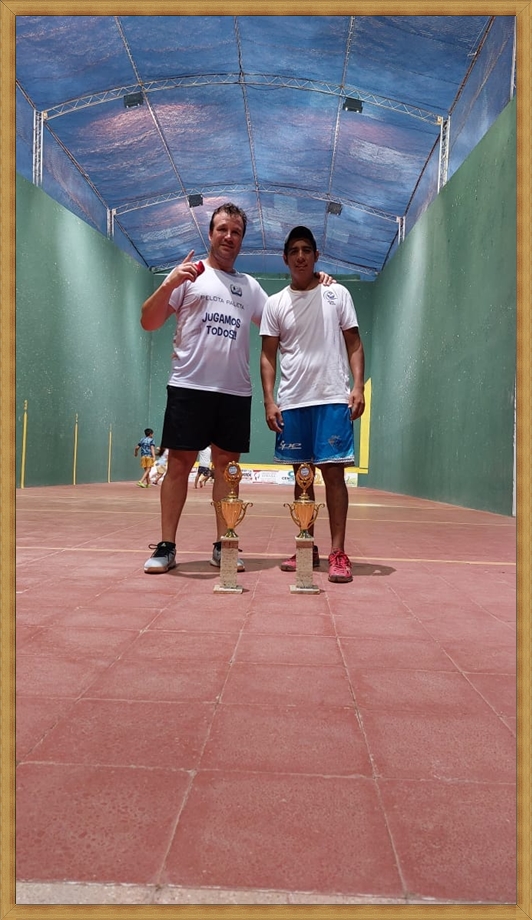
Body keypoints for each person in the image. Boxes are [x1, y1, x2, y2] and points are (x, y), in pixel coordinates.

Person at [140, 202, 334, 575]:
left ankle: (223, 544)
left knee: (226, 468)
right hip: (189, 387)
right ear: (210, 234)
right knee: (179, 465)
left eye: (236, 232)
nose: (229, 237)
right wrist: (168, 283)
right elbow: (148, 321)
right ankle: (166, 546)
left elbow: (285, 318)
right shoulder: (188, 277)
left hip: (234, 393)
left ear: (241, 240)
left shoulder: (250, 287)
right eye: (222, 229)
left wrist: (317, 283)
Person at [260, 226, 365, 583]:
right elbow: (267, 356)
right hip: (292, 403)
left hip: (332, 398)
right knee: (301, 478)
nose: (301, 256)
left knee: (334, 475)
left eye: (307, 250)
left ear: (317, 256)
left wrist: (358, 387)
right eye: (294, 251)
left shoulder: (337, 293)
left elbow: (354, 343)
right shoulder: (275, 303)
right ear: (285, 258)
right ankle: (307, 547)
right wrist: (270, 400)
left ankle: (338, 552)